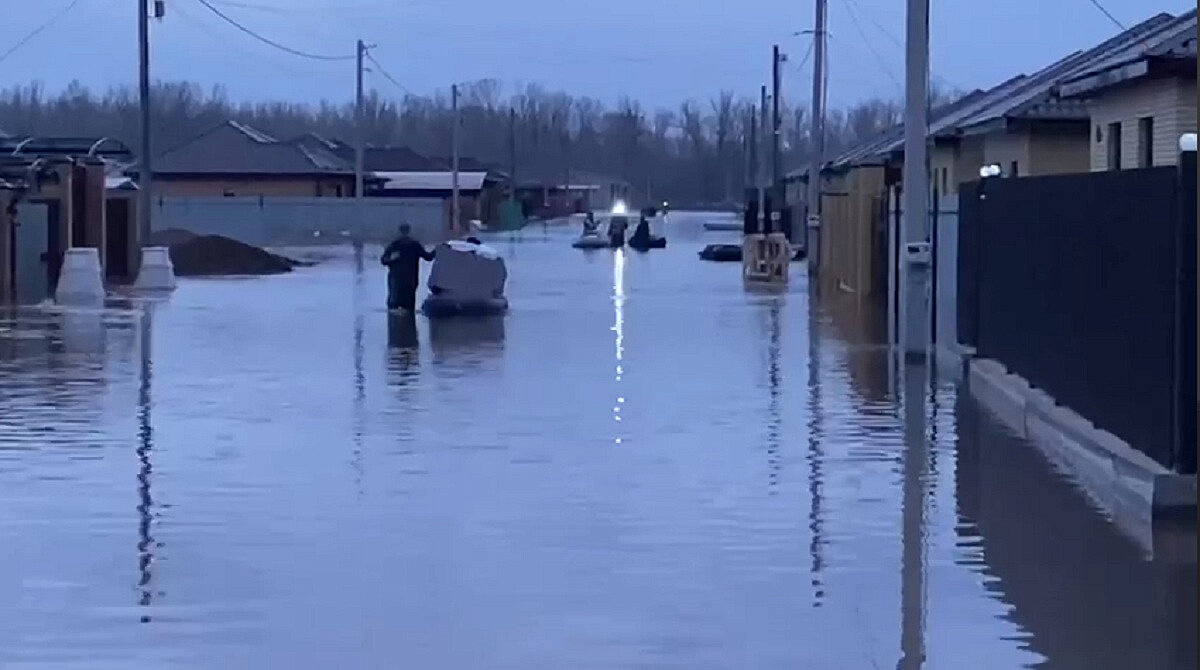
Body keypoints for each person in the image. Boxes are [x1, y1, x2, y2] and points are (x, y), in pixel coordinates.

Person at [380, 223, 434, 312]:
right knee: (409, 306)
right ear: (409, 231)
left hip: (396, 280)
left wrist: (392, 259)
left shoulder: (394, 245)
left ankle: (397, 322)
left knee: (394, 305)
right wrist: (438, 250)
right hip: (410, 280)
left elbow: (383, 260)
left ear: (400, 231)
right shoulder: (415, 245)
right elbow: (428, 257)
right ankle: (409, 324)